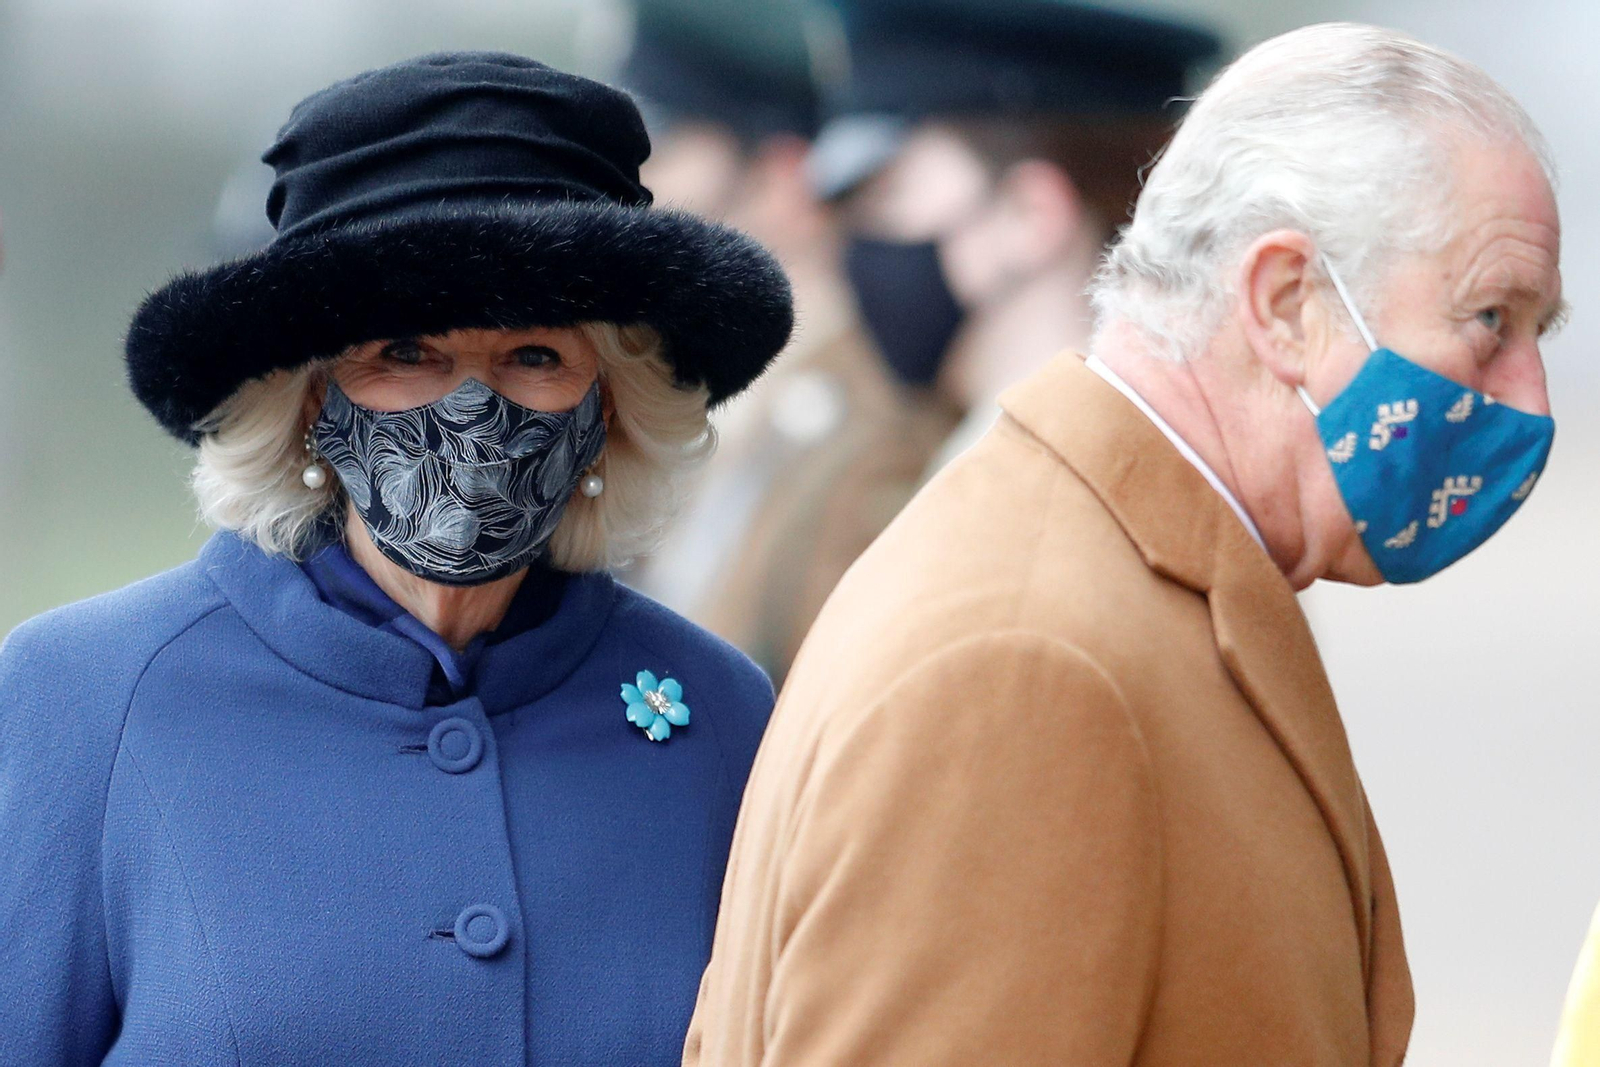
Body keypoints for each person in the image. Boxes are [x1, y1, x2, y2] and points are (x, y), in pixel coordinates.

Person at [685, 22, 1563, 1066]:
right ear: (1285, 301)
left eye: (1537, 333)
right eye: (1490, 319)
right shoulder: (1025, 660)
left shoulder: (1135, 568)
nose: (1527, 398)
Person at [0, 52, 793, 1066]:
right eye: (406, 353)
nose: (471, 407)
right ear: (308, 400)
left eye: (535, 355)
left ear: (610, 408)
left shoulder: (720, 713)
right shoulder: (87, 697)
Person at [808, 0, 1220, 477]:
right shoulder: (993, 454)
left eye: (891, 200)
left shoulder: (1053, 476)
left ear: (1031, 215)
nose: (857, 245)